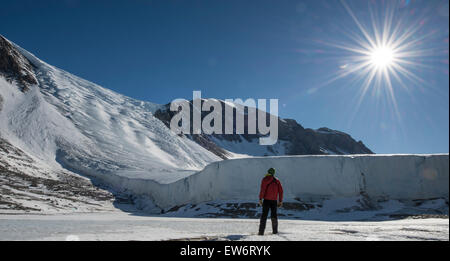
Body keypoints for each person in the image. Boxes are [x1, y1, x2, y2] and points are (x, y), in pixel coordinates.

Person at [258, 167, 283, 235]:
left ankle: (261, 232)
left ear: (268, 172)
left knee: (264, 216)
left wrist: (260, 199)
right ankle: (275, 231)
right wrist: (280, 201)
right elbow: (281, 191)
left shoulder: (265, 179)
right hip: (274, 201)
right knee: (274, 216)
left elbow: (263, 190)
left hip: (266, 200)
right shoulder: (277, 181)